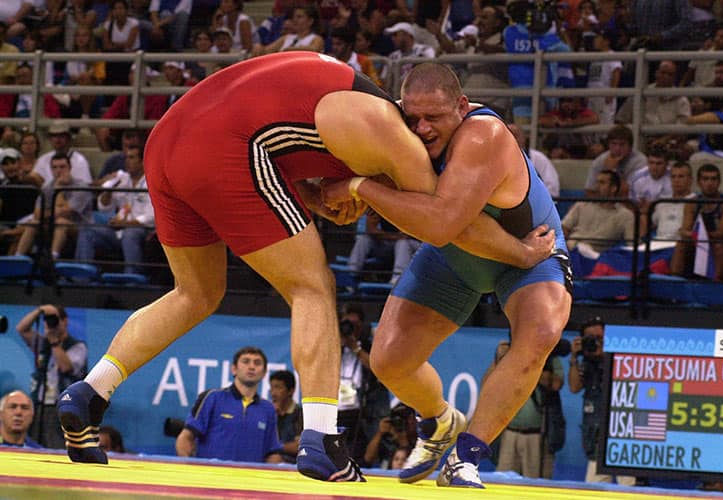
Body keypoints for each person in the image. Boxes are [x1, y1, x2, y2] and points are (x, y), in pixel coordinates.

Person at [56, 53, 548, 483]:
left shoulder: (337, 101)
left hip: (166, 140)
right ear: (401, 111)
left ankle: (89, 394)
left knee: (196, 293)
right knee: (312, 287)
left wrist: (338, 193)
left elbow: (287, 169)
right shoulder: (393, 137)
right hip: (225, 147)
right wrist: (519, 252)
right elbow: (442, 223)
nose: (422, 131)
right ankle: (321, 440)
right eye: (417, 120)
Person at [322, 62, 572, 488]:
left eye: (433, 117)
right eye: (412, 117)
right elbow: (449, 228)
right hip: (462, 254)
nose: (420, 128)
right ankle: (439, 421)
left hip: (533, 250)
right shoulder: (395, 128)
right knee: (388, 361)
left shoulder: (483, 135)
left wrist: (360, 186)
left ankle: (466, 455)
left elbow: (439, 224)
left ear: (461, 105)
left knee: (541, 332)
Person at [175, 346, 283, 463]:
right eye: (245, 362)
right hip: (211, 478)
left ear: (264, 373)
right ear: (234, 369)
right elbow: (186, 437)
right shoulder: (212, 398)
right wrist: (187, 467)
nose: (251, 367)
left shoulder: (268, 409)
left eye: (257, 363)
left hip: (249, 479)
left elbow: (273, 452)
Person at [568, 317, 635, 485]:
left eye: (599, 338)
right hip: (596, 438)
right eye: (590, 338)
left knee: (627, 488)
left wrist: (606, 354)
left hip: (621, 437)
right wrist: (574, 358)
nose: (595, 342)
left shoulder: (620, 358)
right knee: (593, 489)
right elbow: (574, 387)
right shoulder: (586, 362)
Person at [489, 339, 564, 479]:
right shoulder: (510, 356)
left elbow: (556, 384)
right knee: (501, 479)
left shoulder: (549, 357)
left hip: (536, 435)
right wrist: (499, 360)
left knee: (533, 482)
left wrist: (533, 362)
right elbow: (487, 387)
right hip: (511, 433)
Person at [15, 304, 87, 449]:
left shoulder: (78, 346)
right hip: (39, 404)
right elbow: (21, 329)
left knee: (56, 446)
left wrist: (54, 343)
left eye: (55, 319)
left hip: (62, 406)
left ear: (65, 321)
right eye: (48, 320)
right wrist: (39, 310)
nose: (51, 323)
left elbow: (66, 367)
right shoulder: (42, 342)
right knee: (33, 445)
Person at [74, 145, 153, 274]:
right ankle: (81, 275)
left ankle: (132, 277)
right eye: (126, 158)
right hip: (120, 230)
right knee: (87, 230)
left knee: (130, 233)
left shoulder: (151, 181)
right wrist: (108, 190)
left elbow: (151, 218)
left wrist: (125, 224)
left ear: (142, 161)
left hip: (143, 231)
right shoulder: (123, 179)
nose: (127, 161)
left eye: (132, 158)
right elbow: (104, 207)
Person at [336, 302, 389, 464]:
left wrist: (355, 347)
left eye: (354, 325)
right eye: (347, 324)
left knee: (359, 458)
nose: (350, 328)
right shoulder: (333, 344)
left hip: (360, 414)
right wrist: (339, 341)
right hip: (336, 410)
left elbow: (377, 369)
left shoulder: (368, 346)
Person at [15, 152, 94, 260]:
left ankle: (53, 258)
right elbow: (37, 214)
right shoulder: (47, 188)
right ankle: (18, 258)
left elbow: (67, 213)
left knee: (61, 221)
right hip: (52, 225)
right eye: (55, 167)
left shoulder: (81, 187)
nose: (58, 170)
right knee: (33, 223)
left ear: (70, 168)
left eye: (62, 167)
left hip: (81, 229)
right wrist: (53, 212)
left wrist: (58, 189)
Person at [670, 163, 723, 280]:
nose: (710, 183)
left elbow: (722, 233)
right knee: (681, 244)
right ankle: (674, 284)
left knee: (718, 246)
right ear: (699, 182)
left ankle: (716, 286)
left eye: (713, 179)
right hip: (698, 240)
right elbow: (685, 230)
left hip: (721, 242)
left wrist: (699, 235)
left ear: (719, 182)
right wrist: (694, 235)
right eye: (705, 179)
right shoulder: (692, 203)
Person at [346, 209, 421, 285]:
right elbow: (371, 230)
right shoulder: (380, 205)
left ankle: (397, 278)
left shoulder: (409, 206)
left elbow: (407, 234)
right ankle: (351, 273)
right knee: (364, 238)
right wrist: (394, 236)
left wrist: (387, 236)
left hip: (414, 247)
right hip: (389, 244)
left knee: (402, 243)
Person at [584, 125, 647, 198]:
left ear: (630, 146)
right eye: (614, 144)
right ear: (608, 145)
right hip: (603, 204)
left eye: (622, 144)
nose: (617, 148)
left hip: (629, 205)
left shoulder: (640, 162)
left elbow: (629, 194)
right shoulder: (600, 161)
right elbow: (589, 192)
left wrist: (613, 170)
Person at [33, 121, 92, 186]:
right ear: (50, 139)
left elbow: (84, 186)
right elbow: (35, 177)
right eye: (54, 136)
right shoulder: (43, 158)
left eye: (61, 135)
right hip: (49, 193)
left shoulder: (79, 160)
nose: (58, 139)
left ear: (68, 138)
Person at [363, 402, 417, 469]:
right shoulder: (388, 439)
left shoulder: (421, 438)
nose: (406, 423)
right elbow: (368, 458)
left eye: (408, 419)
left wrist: (404, 443)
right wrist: (380, 433)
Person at [268, 370, 302, 464]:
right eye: (271, 388)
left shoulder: (300, 414)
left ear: (291, 391)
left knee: (275, 460)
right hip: (268, 458)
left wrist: (275, 446)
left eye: (278, 388)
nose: (273, 393)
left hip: (291, 463)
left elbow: (298, 447)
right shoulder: (268, 412)